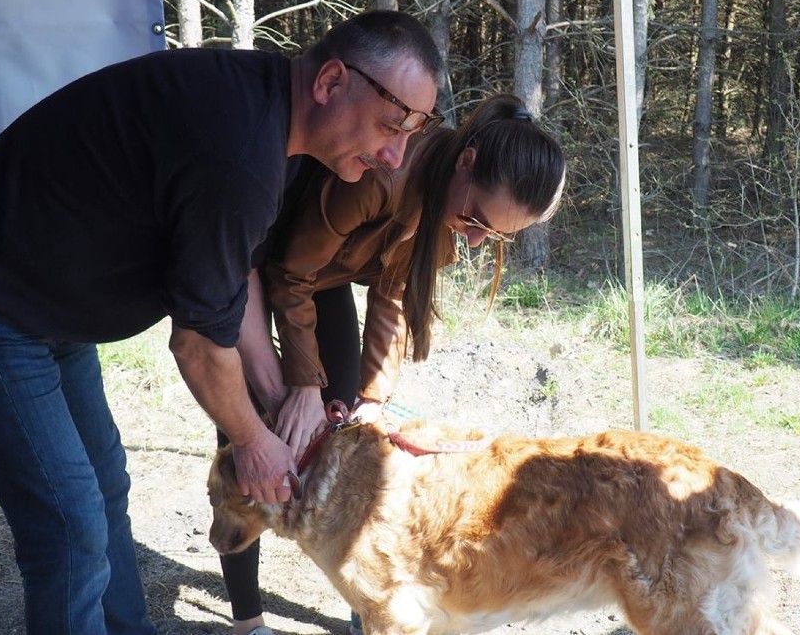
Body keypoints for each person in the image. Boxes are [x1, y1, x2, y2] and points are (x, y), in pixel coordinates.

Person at [0, 10, 443, 635]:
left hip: (55, 308)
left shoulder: (275, 127)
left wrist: (276, 399)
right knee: (68, 525)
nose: (395, 155)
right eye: (391, 126)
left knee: (106, 486)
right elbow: (197, 343)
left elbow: (239, 277)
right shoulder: (240, 151)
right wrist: (252, 441)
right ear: (331, 82)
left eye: (412, 132)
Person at [220, 93, 566, 635]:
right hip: (259, 267)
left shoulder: (448, 202)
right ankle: (247, 619)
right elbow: (290, 273)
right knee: (253, 437)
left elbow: (393, 296)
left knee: (344, 431)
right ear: (467, 162)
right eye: (476, 219)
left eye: (494, 235)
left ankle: (367, 607)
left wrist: (373, 400)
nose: (475, 237)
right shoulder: (384, 175)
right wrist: (303, 386)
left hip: (325, 279)